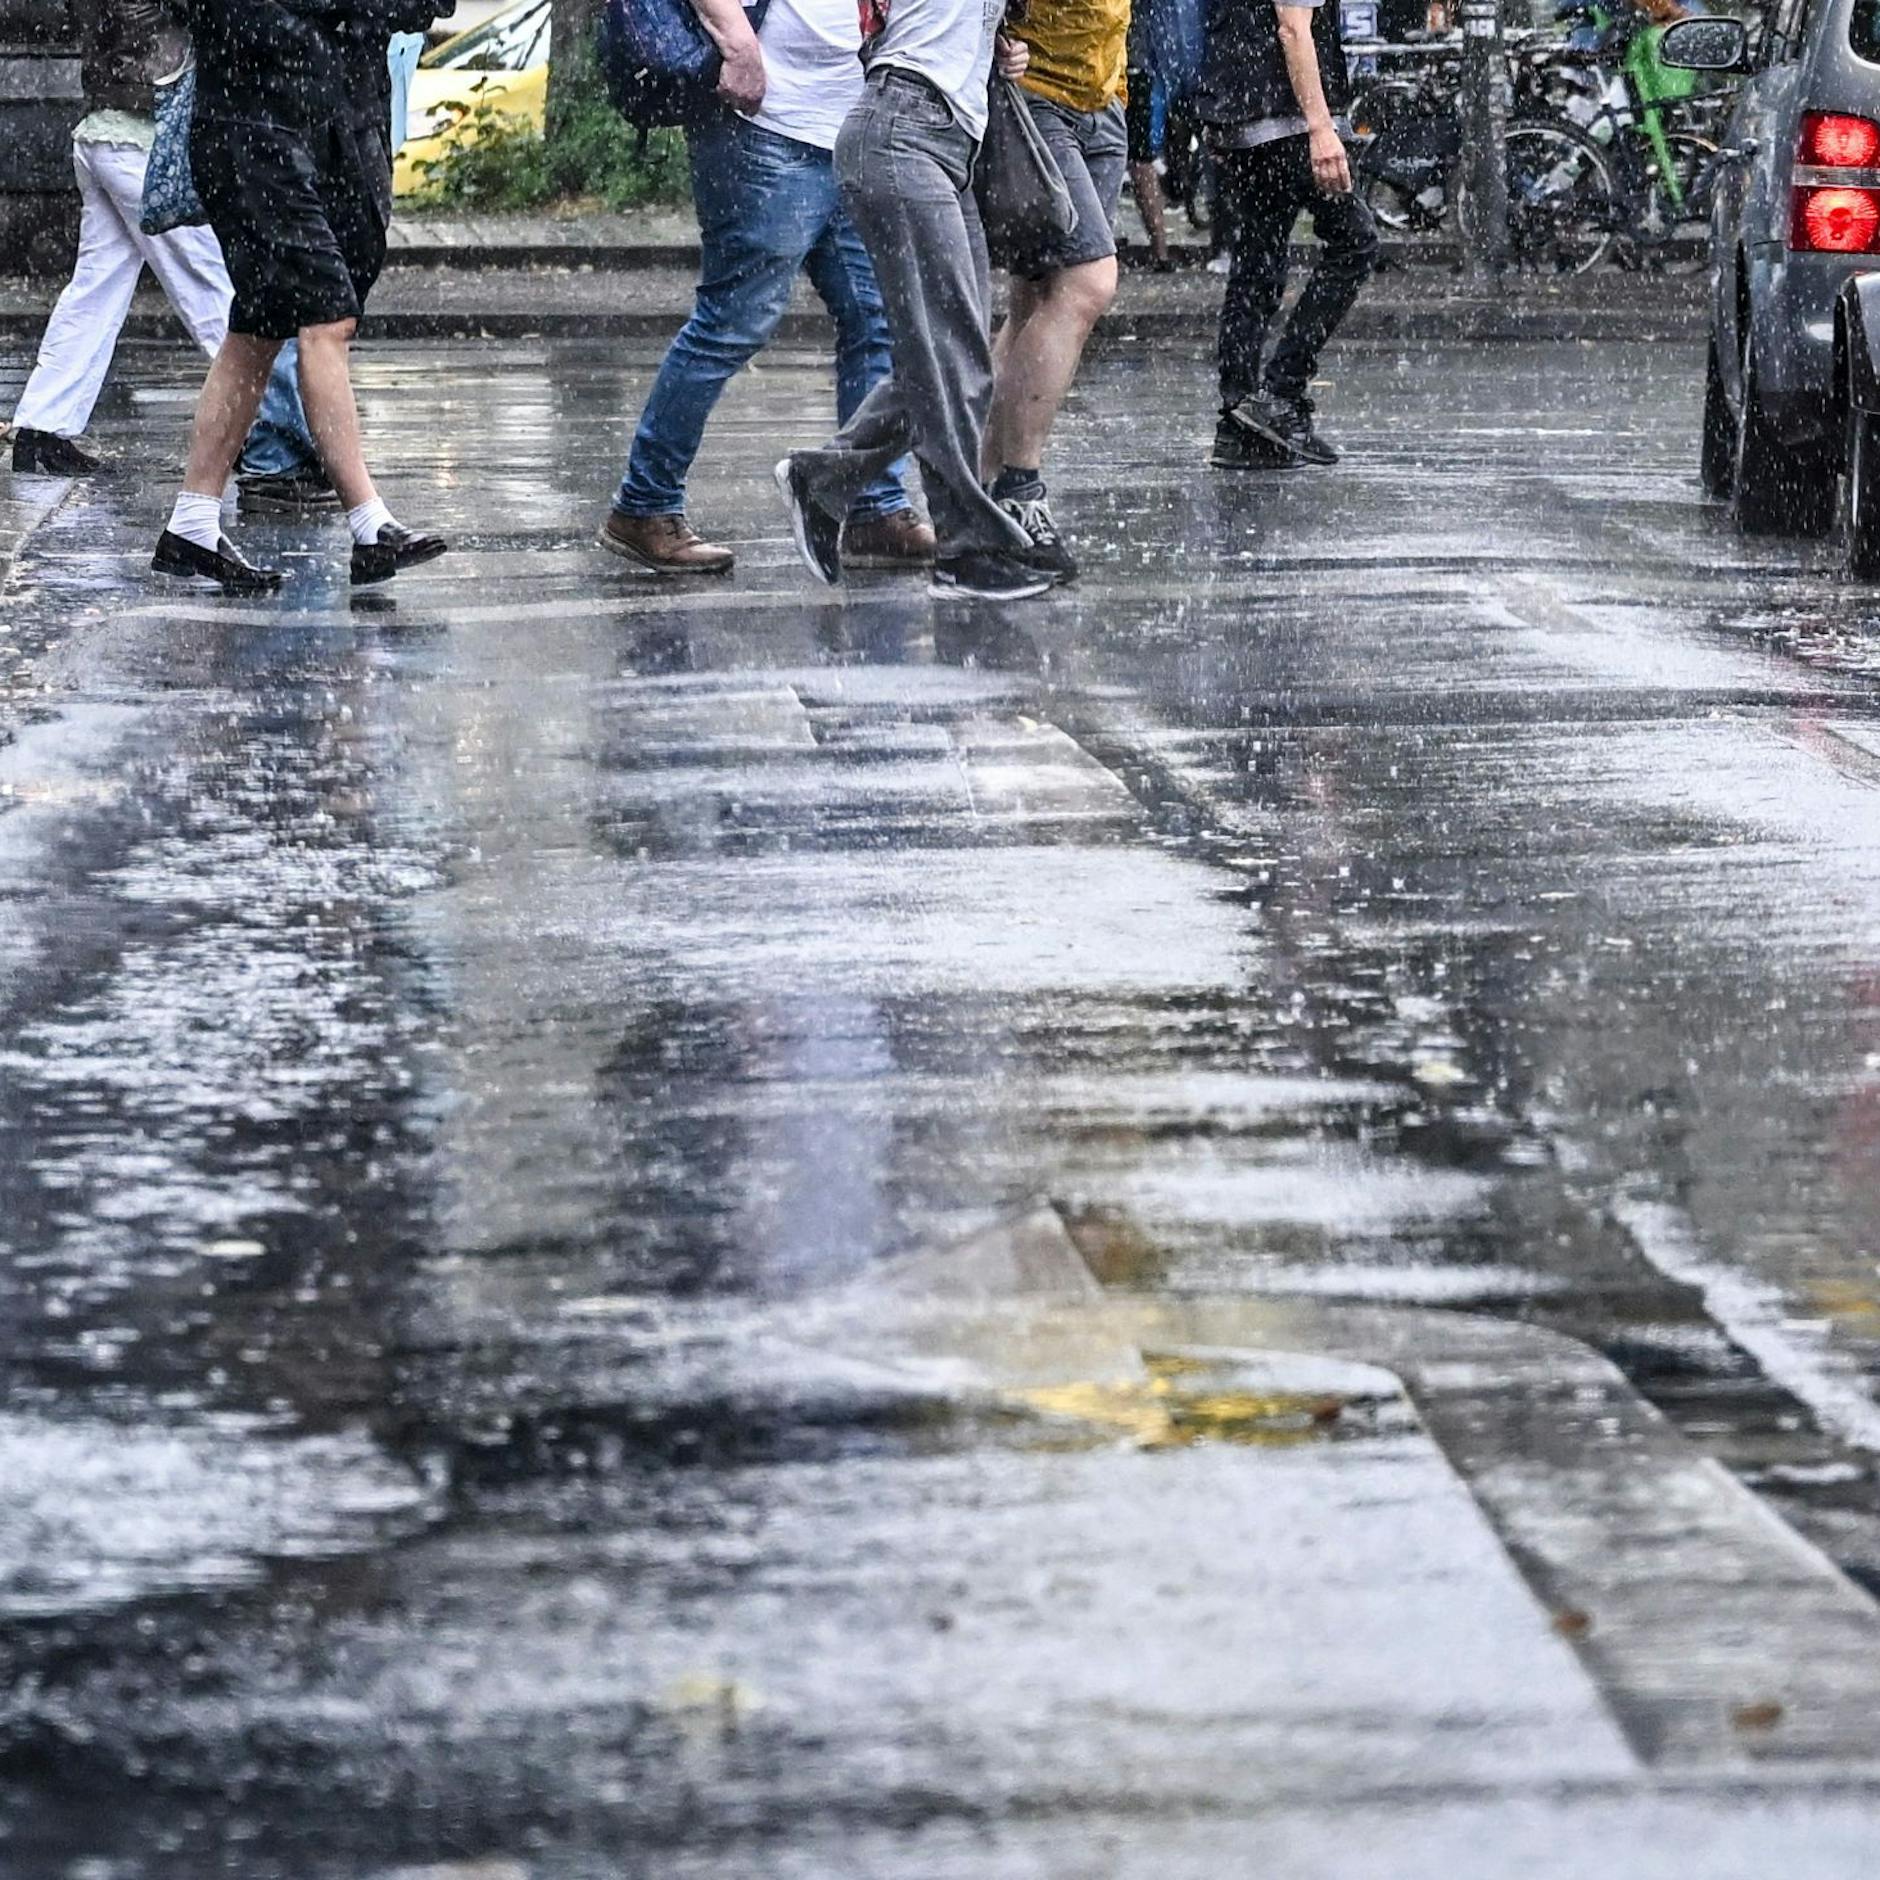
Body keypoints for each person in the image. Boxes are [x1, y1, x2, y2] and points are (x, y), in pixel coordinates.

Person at [598, 0, 936, 577]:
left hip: (852, 128)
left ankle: (870, 508)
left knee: (876, 320)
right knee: (732, 323)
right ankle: (645, 506)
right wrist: (737, 41)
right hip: (764, 123)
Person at [152, 0, 450, 593]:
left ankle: (191, 521)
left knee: (259, 329)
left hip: (335, 123)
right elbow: (231, 18)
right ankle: (370, 525)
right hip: (253, 130)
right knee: (326, 317)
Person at [775, 6, 1053, 601]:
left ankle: (823, 478)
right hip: (904, 130)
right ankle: (963, 547)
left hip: (947, 141)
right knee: (948, 356)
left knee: (957, 354)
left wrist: (997, 45)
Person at [7, 2, 230, 477]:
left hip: (106, 132)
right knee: (208, 283)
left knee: (94, 291)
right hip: (137, 139)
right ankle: (268, 431)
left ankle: (40, 429)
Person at [233, 29, 428, 516]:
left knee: (298, 301)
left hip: (348, 90)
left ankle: (274, 453)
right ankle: (284, 457)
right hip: (310, 101)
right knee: (306, 300)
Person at [980, 0, 1133, 581]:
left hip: (1103, 98)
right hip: (1036, 96)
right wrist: (992, 34)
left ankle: (983, 494)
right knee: (1088, 283)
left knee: (1034, 302)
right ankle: (1020, 487)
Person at [1199, 0, 1378, 469]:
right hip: (1286, 119)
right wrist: (1321, 128)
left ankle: (1237, 422)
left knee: (1257, 264)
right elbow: (1293, 29)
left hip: (1245, 117)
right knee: (1354, 243)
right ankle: (1281, 391)